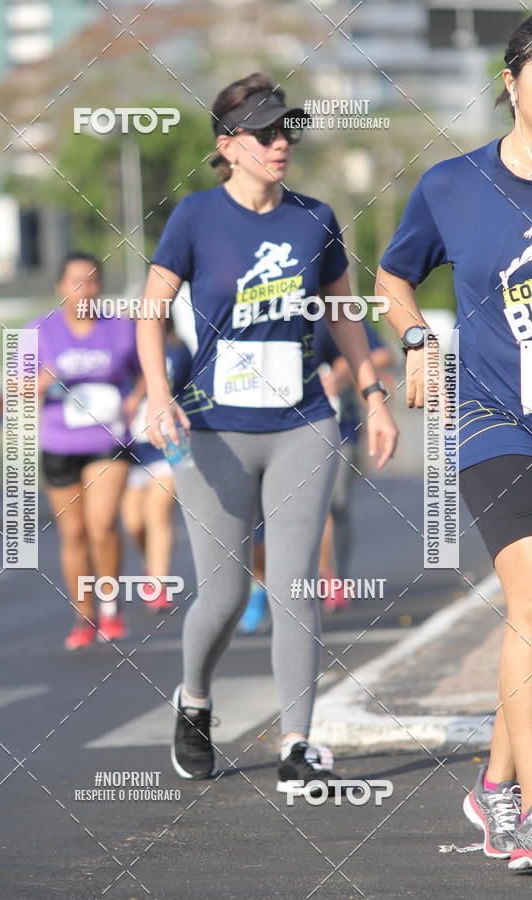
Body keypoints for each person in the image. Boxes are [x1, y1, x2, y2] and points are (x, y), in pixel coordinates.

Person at [136, 72, 398, 795]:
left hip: (304, 423)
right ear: (230, 146)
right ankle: (193, 701)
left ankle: (297, 741)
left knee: (294, 586)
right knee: (219, 597)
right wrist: (160, 397)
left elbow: (344, 316)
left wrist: (373, 398)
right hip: (214, 427)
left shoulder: (315, 217)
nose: (282, 142)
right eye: (266, 132)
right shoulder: (193, 217)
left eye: (288, 130)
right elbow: (150, 312)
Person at [375, 16, 532, 871]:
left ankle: (495, 786)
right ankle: (529, 815)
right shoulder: (452, 186)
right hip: (493, 418)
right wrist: (415, 339)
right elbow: (393, 275)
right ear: (510, 82)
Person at [28, 252, 143, 650]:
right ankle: (84, 615)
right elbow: (15, 389)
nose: (85, 290)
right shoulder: (40, 331)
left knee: (101, 524)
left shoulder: (120, 328)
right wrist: (38, 384)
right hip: (59, 442)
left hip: (107, 441)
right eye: (76, 281)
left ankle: (110, 607)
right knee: (74, 533)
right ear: (61, 286)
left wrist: (136, 399)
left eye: (92, 281)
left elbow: (145, 372)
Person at [313, 319, 395, 611]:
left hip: (342, 428)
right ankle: (310, 576)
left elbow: (384, 353)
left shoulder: (337, 314)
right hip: (294, 429)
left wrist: (345, 370)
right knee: (312, 508)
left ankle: (335, 577)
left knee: (337, 504)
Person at [121, 323, 193, 613]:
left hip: (169, 442)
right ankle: (151, 563)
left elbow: (190, 389)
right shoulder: (126, 351)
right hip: (132, 445)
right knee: (134, 522)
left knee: (157, 510)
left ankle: (160, 584)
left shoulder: (178, 351)